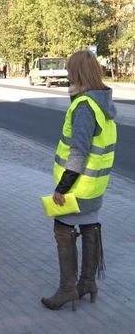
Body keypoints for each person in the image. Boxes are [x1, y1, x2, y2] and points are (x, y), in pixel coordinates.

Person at [41, 50, 116, 311]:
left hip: (77, 188)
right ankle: (87, 284)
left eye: (70, 70)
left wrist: (62, 188)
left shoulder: (84, 107)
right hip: (95, 187)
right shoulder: (101, 104)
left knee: (63, 230)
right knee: (89, 228)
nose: (67, 74)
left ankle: (67, 289)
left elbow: (79, 152)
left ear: (77, 73)